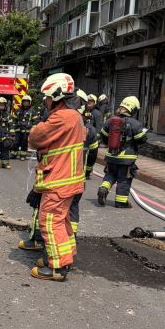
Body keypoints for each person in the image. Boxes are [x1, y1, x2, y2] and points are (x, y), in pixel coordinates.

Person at [27, 73, 86, 282]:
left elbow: (35, 138)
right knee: (62, 221)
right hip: (69, 180)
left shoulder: (62, 117)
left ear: (56, 94)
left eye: (47, 97)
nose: (45, 101)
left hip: (59, 182)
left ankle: (57, 267)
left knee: (50, 222)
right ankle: (65, 257)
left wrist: (35, 129)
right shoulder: (75, 117)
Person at [97, 96, 148, 208]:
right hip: (126, 159)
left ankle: (103, 188)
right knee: (123, 179)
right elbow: (142, 140)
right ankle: (121, 201)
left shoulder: (111, 121)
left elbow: (104, 137)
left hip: (111, 156)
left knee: (110, 175)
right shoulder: (135, 124)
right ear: (133, 109)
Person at [68, 89, 100, 237]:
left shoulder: (61, 122)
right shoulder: (90, 129)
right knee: (74, 205)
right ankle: (72, 233)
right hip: (79, 176)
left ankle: (41, 238)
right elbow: (93, 153)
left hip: (60, 175)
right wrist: (88, 170)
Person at [12, 95, 39, 160]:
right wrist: (14, 126)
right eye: (24, 101)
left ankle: (23, 155)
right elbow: (14, 119)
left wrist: (33, 129)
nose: (26, 103)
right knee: (16, 142)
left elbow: (35, 121)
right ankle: (14, 154)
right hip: (18, 130)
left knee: (24, 143)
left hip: (27, 130)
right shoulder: (18, 110)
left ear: (30, 102)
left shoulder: (32, 111)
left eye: (27, 102)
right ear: (22, 102)